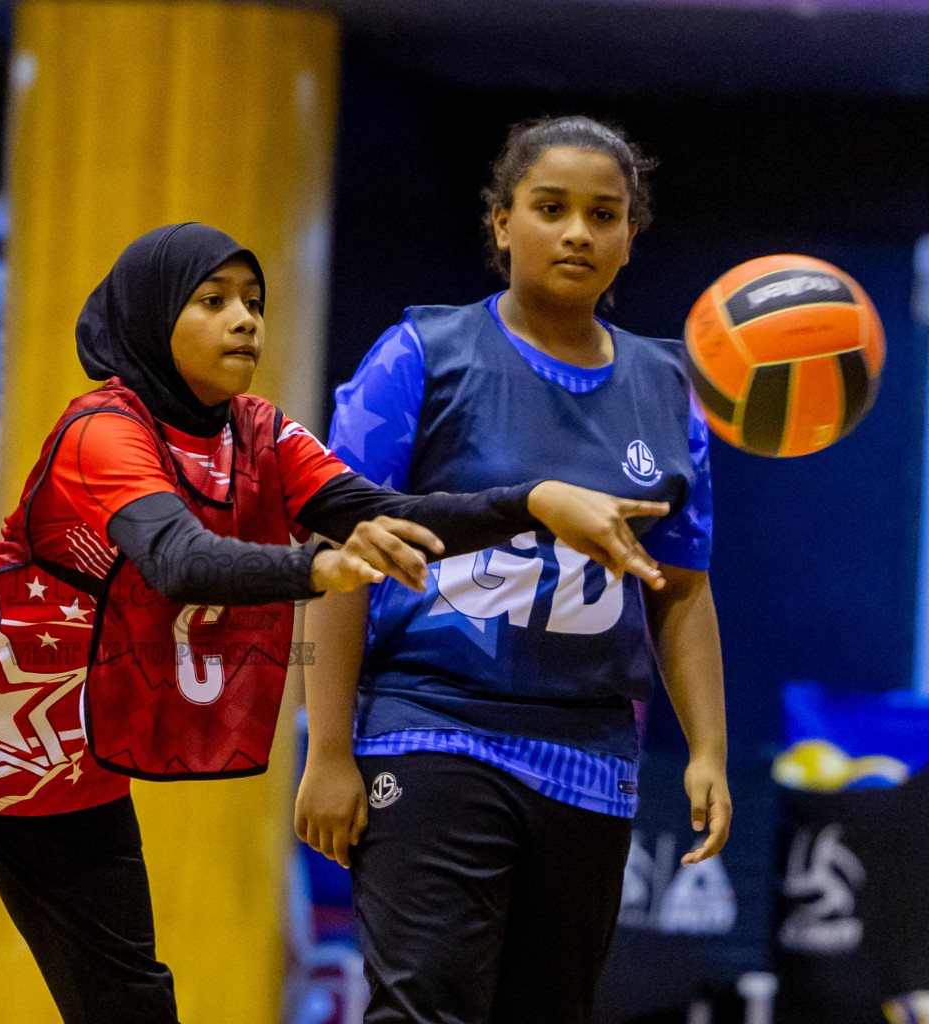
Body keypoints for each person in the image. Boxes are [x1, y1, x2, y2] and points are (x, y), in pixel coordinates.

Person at [0, 222, 669, 1024]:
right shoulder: (103, 429)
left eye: (254, 301)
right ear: (156, 317)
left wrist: (529, 503)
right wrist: (314, 568)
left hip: (62, 740)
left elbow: (380, 510)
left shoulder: (259, 430)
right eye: (213, 300)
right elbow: (179, 558)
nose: (244, 320)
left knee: (126, 997)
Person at [294, 115, 730, 1024]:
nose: (578, 231)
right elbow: (343, 560)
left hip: (588, 752)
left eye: (603, 214)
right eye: (550, 207)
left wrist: (710, 750)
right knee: (426, 1007)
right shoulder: (420, 355)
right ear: (500, 222)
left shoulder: (669, 387)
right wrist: (327, 749)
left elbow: (680, 585)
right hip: (431, 728)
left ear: (629, 237)